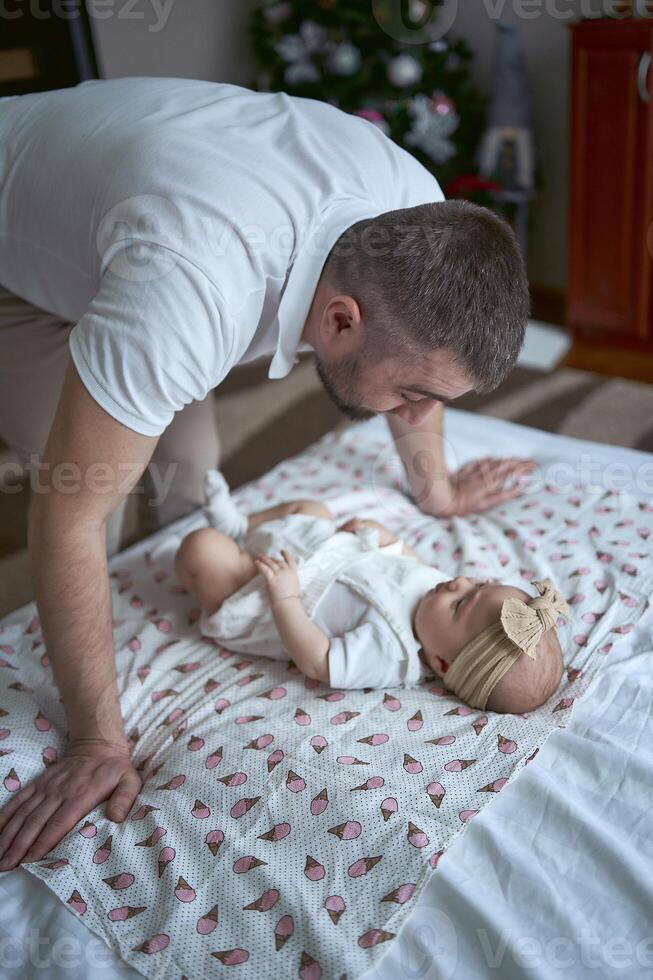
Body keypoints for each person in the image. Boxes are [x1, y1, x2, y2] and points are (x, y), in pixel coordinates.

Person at [0, 77, 533, 871]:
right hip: (21, 252)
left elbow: (423, 370)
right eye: (410, 393)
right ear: (340, 319)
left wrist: (436, 488)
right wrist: (95, 742)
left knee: (187, 470)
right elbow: (66, 516)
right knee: (88, 495)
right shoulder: (192, 288)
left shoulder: (415, 213)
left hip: (137, 217)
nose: (417, 411)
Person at [173, 478, 569, 714]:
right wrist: (387, 538)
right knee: (310, 507)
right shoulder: (438, 596)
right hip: (320, 550)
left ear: (442, 664)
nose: (458, 583)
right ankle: (240, 523)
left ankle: (228, 543)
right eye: (477, 583)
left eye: (462, 602)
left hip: (265, 593)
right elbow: (410, 566)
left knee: (202, 549)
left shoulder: (392, 652)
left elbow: (319, 661)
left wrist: (284, 600)